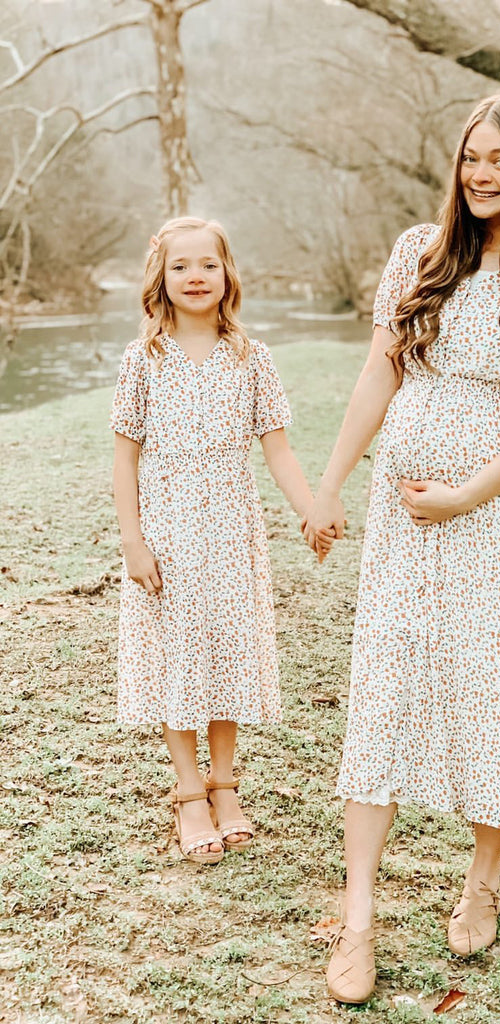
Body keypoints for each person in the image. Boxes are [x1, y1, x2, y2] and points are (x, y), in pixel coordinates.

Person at [302, 92, 500, 1003]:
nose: (480, 174)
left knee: (487, 693)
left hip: (497, 523)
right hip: (402, 528)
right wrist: (330, 481)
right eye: (471, 157)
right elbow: (378, 372)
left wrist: (470, 492)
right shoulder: (416, 254)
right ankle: (356, 921)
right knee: (384, 692)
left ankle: (481, 880)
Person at [111, 216, 332, 865]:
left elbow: (279, 451)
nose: (195, 276)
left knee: (225, 656)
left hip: (232, 534)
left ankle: (225, 784)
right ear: (161, 278)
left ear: (227, 274)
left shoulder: (251, 355)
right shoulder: (142, 359)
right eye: (180, 266)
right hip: (167, 534)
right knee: (177, 657)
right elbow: (124, 459)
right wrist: (132, 540)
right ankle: (187, 791)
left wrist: (310, 510)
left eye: (207, 264)